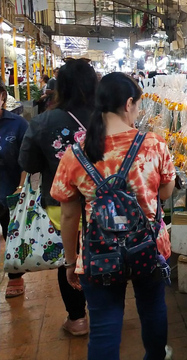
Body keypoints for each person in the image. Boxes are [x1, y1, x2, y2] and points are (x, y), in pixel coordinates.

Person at [51, 72, 175, 359]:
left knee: (105, 326)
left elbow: (69, 216)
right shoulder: (154, 144)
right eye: (138, 105)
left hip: (98, 252)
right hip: (149, 247)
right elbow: (166, 193)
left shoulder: (75, 154)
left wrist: (71, 262)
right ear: (129, 103)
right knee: (153, 308)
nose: (139, 111)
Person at [18, 58, 95, 333]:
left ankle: (77, 318)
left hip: (61, 202)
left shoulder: (43, 121)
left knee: (70, 256)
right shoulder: (108, 118)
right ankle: (103, 311)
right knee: (100, 249)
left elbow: (28, 163)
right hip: (103, 203)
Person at [0, 82, 28, 298]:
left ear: (2, 97)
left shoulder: (18, 125)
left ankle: (15, 276)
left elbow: (26, 162)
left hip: (10, 190)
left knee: (12, 232)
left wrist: (20, 188)